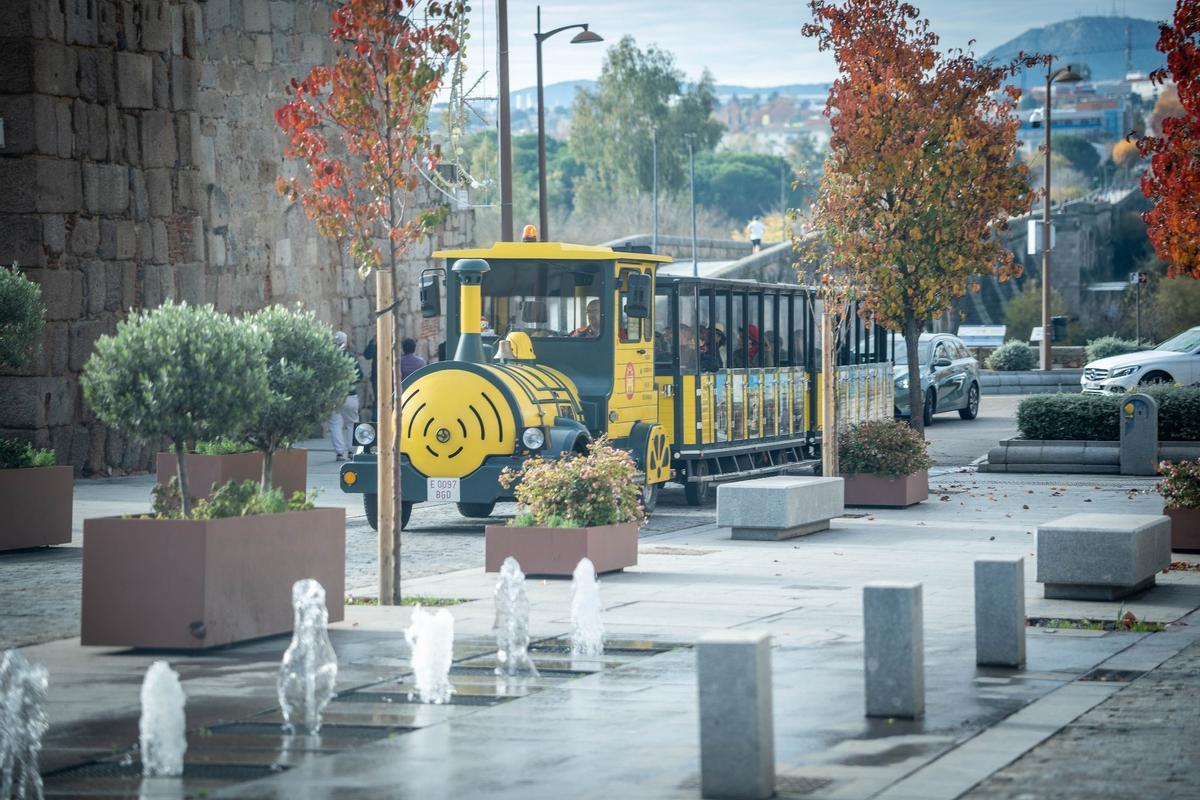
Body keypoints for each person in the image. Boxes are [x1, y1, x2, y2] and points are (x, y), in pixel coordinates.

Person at [330, 331, 363, 462]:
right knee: (352, 423)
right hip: (350, 395)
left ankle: (339, 453)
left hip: (334, 395)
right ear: (345, 342)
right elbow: (360, 375)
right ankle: (351, 451)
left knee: (335, 424)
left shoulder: (330, 357)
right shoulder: (351, 357)